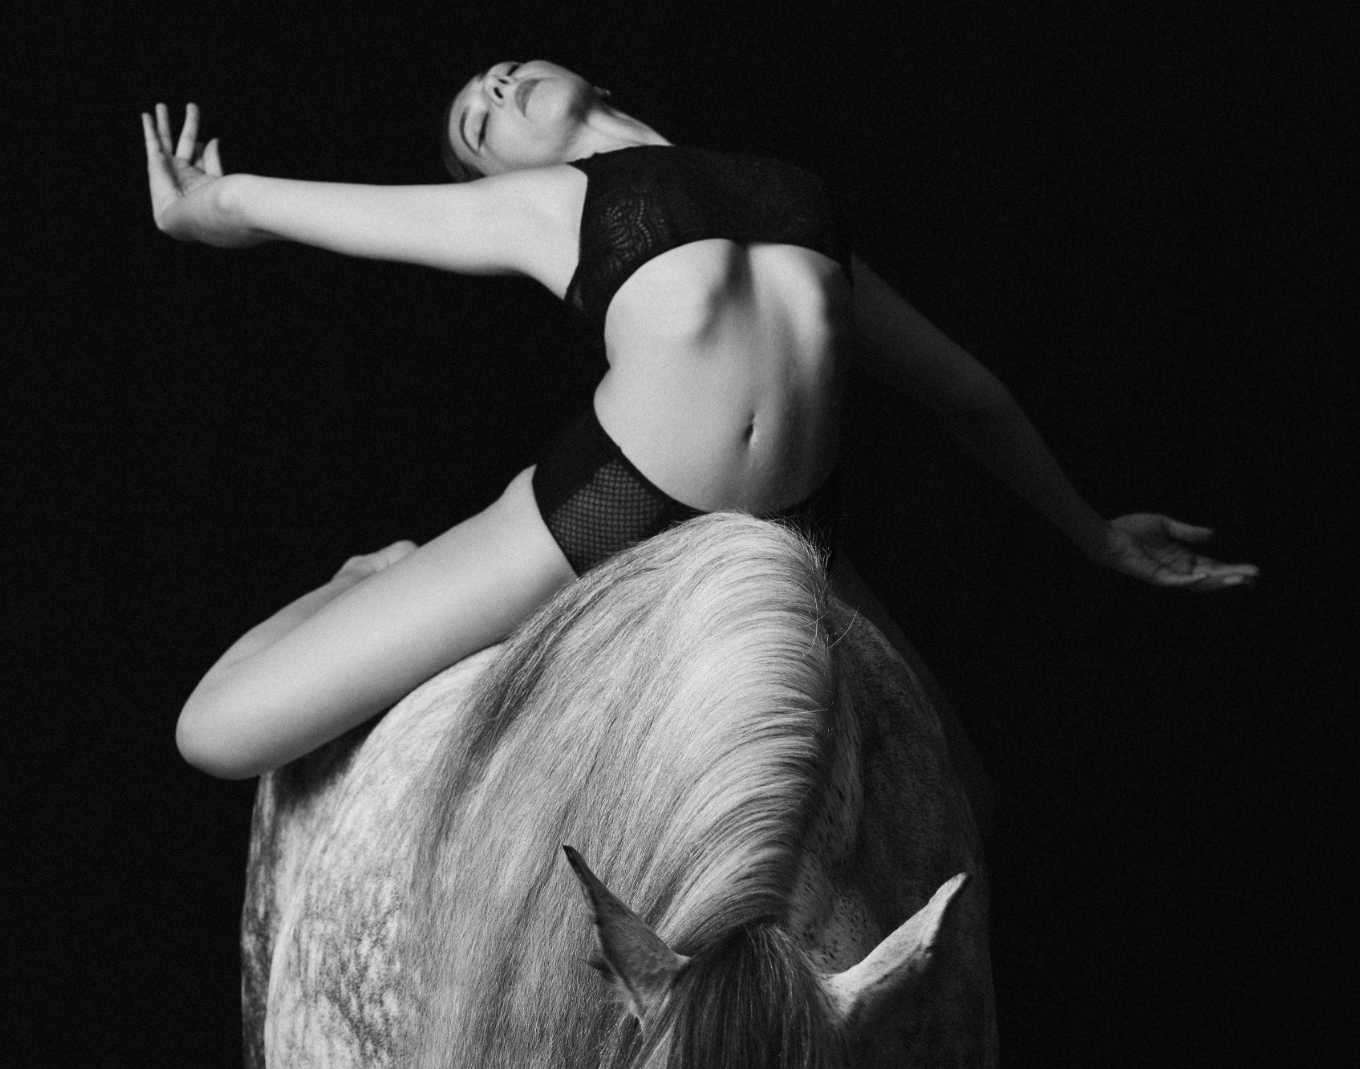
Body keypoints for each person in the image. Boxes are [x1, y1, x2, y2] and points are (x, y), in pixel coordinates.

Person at [143, 62, 1256, 793]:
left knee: (956, 782)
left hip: (793, 536)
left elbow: (968, 392)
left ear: (594, 78)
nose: (491, 89)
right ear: (495, 175)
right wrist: (197, 209)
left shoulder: (793, 194)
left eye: (500, 73)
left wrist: (1094, 535)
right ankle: (373, 578)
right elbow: (254, 206)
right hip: (610, 509)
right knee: (216, 734)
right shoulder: (541, 206)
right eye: (475, 124)